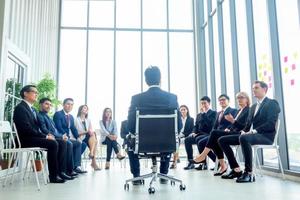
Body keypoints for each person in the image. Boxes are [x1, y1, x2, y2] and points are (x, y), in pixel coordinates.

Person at [127, 66, 182, 185]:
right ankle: (164, 174)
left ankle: (136, 176)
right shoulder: (172, 97)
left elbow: (130, 126)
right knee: (167, 137)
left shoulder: (136, 98)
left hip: (142, 144)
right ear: (160, 79)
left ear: (146, 81)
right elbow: (179, 125)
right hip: (167, 143)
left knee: (129, 141)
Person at [219, 81, 280, 183]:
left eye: (256, 88)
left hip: (265, 136)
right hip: (250, 135)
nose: (253, 90)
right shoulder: (253, 107)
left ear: (264, 89)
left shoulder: (272, 103)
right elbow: (247, 125)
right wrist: (243, 131)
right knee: (222, 140)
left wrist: (253, 131)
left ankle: (248, 173)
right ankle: (236, 169)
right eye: (253, 88)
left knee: (244, 138)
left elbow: (270, 123)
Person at [13, 85, 65, 183]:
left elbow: (38, 128)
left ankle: (60, 172)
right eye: (34, 92)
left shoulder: (33, 110)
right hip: (25, 140)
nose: (37, 94)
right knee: (53, 143)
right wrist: (45, 136)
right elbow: (26, 129)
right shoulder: (20, 108)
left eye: (37, 93)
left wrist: (48, 135)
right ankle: (53, 176)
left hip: (33, 138)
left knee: (61, 142)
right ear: (25, 94)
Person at [192, 92, 250, 176]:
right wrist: (229, 127)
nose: (239, 100)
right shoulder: (237, 111)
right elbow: (216, 126)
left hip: (235, 133)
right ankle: (223, 165)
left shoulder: (236, 110)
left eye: (241, 98)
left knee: (214, 136)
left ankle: (204, 156)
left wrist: (230, 124)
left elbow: (242, 126)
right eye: (238, 98)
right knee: (214, 136)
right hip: (224, 132)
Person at [190, 94, 237, 170]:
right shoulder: (219, 113)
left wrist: (229, 128)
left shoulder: (233, 111)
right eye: (220, 100)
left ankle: (204, 158)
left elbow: (234, 123)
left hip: (226, 133)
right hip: (215, 134)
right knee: (201, 141)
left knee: (202, 141)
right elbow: (214, 127)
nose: (221, 101)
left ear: (228, 101)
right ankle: (217, 162)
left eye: (223, 99)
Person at [37, 97, 77, 181]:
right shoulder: (40, 115)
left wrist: (61, 136)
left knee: (67, 142)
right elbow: (44, 129)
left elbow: (55, 130)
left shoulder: (48, 117)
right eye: (46, 104)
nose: (49, 106)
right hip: (46, 138)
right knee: (65, 143)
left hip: (55, 137)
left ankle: (65, 171)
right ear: (41, 104)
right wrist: (60, 137)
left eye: (50, 105)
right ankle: (62, 171)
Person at [53, 98, 87, 174]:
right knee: (70, 144)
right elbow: (58, 127)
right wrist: (64, 136)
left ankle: (75, 166)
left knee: (81, 144)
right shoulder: (58, 114)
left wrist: (78, 138)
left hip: (67, 138)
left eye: (72, 105)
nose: (70, 106)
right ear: (63, 105)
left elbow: (73, 129)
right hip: (60, 137)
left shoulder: (71, 117)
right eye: (68, 104)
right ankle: (69, 169)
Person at [183, 96, 217, 170]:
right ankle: (191, 162)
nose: (203, 105)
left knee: (199, 140)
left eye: (205, 103)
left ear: (209, 103)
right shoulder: (199, 115)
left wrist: (204, 114)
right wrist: (193, 132)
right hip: (199, 134)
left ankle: (206, 162)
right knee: (187, 140)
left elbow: (211, 125)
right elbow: (196, 126)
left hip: (208, 134)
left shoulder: (214, 113)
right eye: (202, 103)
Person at [75, 105, 101, 170]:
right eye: (84, 108)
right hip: (80, 138)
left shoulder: (88, 120)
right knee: (94, 140)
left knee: (93, 135)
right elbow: (75, 133)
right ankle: (93, 162)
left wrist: (90, 132)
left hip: (88, 139)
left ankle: (91, 153)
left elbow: (91, 131)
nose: (86, 109)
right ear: (80, 110)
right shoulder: (76, 120)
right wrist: (86, 132)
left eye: (87, 109)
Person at [170, 105, 194, 169]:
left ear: (187, 110)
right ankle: (174, 162)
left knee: (185, 140)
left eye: (184, 109)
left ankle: (189, 162)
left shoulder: (191, 119)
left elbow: (191, 130)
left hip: (186, 136)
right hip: (178, 136)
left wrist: (183, 134)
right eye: (181, 110)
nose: (183, 111)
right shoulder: (177, 119)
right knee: (175, 141)